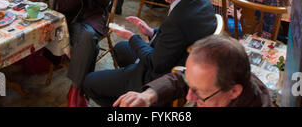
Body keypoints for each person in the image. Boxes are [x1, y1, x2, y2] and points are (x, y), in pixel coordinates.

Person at [83, 0, 217, 107]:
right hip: (175, 55)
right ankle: (125, 82)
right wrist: (151, 32)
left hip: (159, 74)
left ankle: (128, 99)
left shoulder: (177, 21)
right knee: (120, 48)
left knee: (89, 82)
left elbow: (155, 63)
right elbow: (177, 36)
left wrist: (132, 36)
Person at [113, 34, 272, 107]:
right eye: (191, 86)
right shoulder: (230, 76)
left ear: (234, 91)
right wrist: (148, 96)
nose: (189, 97)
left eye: (201, 93)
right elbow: (181, 78)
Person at [54, 0, 113, 107]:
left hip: (94, 18)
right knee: (90, 43)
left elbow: (106, 4)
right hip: (72, 21)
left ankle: (74, 90)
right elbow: (63, 8)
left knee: (87, 37)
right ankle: (82, 90)